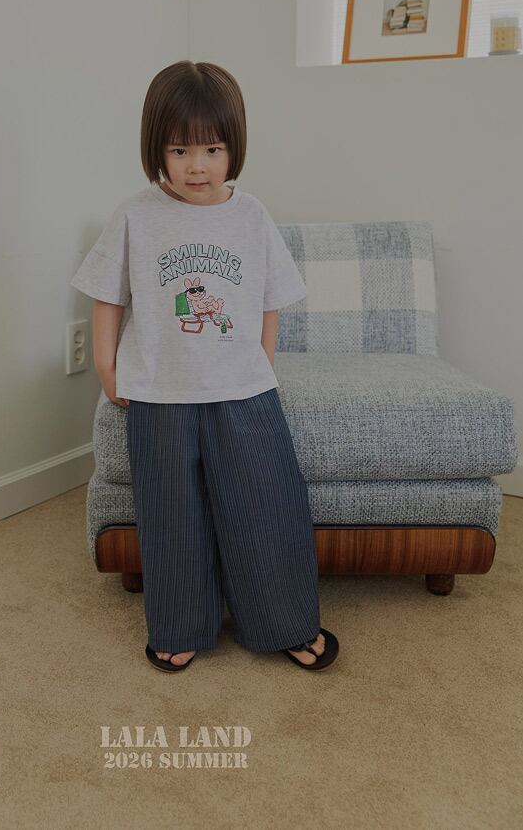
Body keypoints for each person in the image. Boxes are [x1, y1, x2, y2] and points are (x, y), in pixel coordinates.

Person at [70, 61, 339, 673]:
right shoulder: (136, 215)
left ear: (233, 147)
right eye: (180, 150)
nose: (197, 166)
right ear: (156, 150)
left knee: (265, 505)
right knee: (172, 516)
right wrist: (108, 368)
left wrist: (261, 364)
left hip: (244, 391)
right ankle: (181, 623)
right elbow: (108, 296)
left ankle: (286, 621)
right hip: (159, 394)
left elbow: (270, 298)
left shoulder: (252, 215)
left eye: (213, 149)